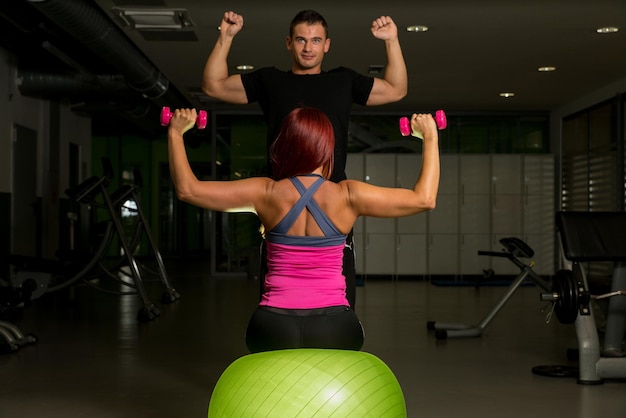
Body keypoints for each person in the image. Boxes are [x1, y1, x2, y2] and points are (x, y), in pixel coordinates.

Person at [167, 106, 440, 353]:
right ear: (327, 148)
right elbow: (424, 199)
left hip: (272, 327)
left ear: (284, 146)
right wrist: (429, 136)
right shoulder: (347, 195)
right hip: (334, 326)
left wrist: (176, 132)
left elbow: (187, 189)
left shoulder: (265, 193)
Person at [202, 10, 408, 309]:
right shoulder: (269, 80)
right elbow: (214, 86)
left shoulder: (344, 81)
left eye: (315, 40)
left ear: (327, 45)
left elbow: (396, 89)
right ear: (289, 43)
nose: (308, 47)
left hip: (333, 204)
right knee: (276, 295)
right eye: (301, 39)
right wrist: (225, 37)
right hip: (281, 205)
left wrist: (392, 40)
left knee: (339, 297)